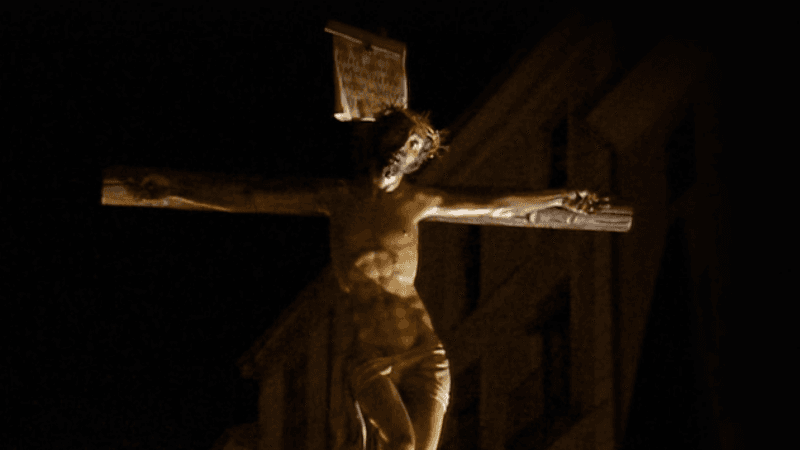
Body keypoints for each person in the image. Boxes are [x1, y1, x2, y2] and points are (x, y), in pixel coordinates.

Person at [110, 105, 605, 450]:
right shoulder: (338, 198)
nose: (403, 149)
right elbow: (250, 195)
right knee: (401, 442)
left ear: (417, 159)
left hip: (426, 351)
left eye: (414, 146)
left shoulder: (418, 201)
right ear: (381, 138)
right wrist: (175, 187)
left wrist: (557, 196)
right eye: (399, 138)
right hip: (371, 357)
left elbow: (496, 207)